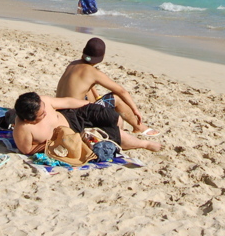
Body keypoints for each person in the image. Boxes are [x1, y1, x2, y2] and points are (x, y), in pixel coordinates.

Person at [56, 37, 160, 136]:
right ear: (102, 57)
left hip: (61, 111)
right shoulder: (93, 72)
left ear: (84, 51)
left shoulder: (73, 64)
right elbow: (121, 91)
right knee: (116, 97)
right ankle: (139, 127)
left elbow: (85, 86)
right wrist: (135, 110)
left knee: (88, 91)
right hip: (77, 117)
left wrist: (97, 98)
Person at [12, 92, 162, 156]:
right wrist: (55, 143)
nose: (45, 114)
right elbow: (28, 150)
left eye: (44, 109)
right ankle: (144, 144)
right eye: (41, 115)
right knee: (111, 134)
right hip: (73, 134)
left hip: (74, 115)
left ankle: (118, 132)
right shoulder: (23, 129)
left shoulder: (41, 101)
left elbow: (67, 102)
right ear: (29, 120)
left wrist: (89, 105)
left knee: (111, 116)